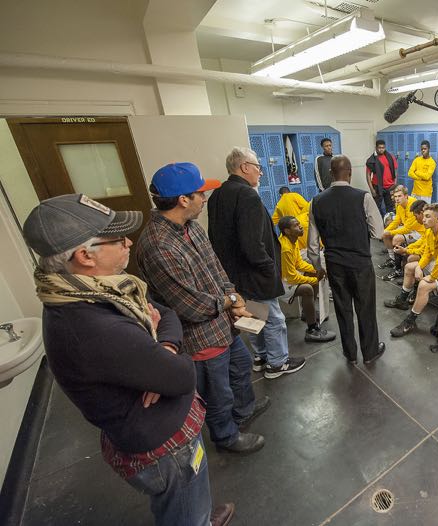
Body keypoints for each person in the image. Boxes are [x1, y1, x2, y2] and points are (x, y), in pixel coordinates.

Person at [23, 193, 234, 526]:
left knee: (191, 499)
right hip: (162, 445)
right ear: (84, 255)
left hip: (156, 425)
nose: (128, 243)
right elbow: (182, 376)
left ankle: (202, 516)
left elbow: (165, 313)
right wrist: (168, 356)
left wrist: (162, 347)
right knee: (183, 510)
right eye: (118, 239)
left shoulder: (99, 290)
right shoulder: (92, 325)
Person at [136, 162, 268, 456]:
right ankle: (226, 436)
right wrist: (231, 303)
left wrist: (232, 294)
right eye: (200, 193)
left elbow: (215, 266)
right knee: (217, 393)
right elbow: (191, 306)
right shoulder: (159, 247)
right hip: (201, 337)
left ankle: (244, 410)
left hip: (224, 323)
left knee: (242, 367)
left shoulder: (191, 227)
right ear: (184, 199)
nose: (204, 198)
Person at [208, 147, 307, 379]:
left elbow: (217, 238)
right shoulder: (247, 195)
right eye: (258, 168)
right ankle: (277, 363)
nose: (260, 173)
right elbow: (252, 242)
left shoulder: (218, 195)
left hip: (234, 273)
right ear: (244, 167)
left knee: (252, 315)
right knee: (273, 318)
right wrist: (268, 267)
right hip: (255, 272)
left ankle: (261, 356)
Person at [308, 155, 387, 364]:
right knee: (366, 308)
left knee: (343, 309)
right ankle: (370, 353)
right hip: (360, 263)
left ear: (330, 173)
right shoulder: (363, 197)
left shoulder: (316, 201)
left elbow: (313, 245)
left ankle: (350, 354)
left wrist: (318, 267)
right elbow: (378, 231)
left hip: (334, 265)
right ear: (350, 173)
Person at [386, 203, 438, 337]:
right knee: (409, 267)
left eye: (427, 217)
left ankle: (410, 321)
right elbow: (428, 253)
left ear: (437, 218)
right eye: (423, 216)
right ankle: (402, 299)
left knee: (424, 285)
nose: (423, 220)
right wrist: (419, 267)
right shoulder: (430, 230)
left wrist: (431, 277)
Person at [276, 215, 336, 343]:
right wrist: (315, 280)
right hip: (281, 283)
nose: (301, 226)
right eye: (296, 225)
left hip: (287, 277)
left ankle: (306, 313)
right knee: (307, 288)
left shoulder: (293, 240)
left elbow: (298, 264)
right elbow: (290, 277)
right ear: (287, 230)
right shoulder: (285, 248)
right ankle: (312, 330)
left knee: (312, 276)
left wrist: (317, 270)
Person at [378, 185, 425, 281]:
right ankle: (393, 259)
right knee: (386, 234)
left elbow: (407, 228)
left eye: (399, 196)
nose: (397, 199)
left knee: (396, 238)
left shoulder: (413, 205)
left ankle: (398, 270)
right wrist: (386, 231)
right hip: (407, 228)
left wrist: (390, 232)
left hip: (418, 232)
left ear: (406, 196)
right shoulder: (398, 205)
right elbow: (397, 221)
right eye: (395, 197)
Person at [365, 139, 398, 215]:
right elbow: (368, 175)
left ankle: (389, 223)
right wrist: (372, 189)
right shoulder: (371, 160)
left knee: (390, 208)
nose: (381, 149)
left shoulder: (390, 157)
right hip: (377, 187)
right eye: (379, 147)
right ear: (376, 148)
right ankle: (379, 224)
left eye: (383, 147)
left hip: (390, 187)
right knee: (376, 208)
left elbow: (395, 171)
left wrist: (394, 185)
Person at [272, 186, 310, 250]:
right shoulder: (295, 195)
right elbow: (307, 207)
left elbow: (273, 221)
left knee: (298, 251)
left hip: (291, 232)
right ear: (289, 191)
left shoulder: (279, 204)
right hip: (302, 227)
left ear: (280, 195)